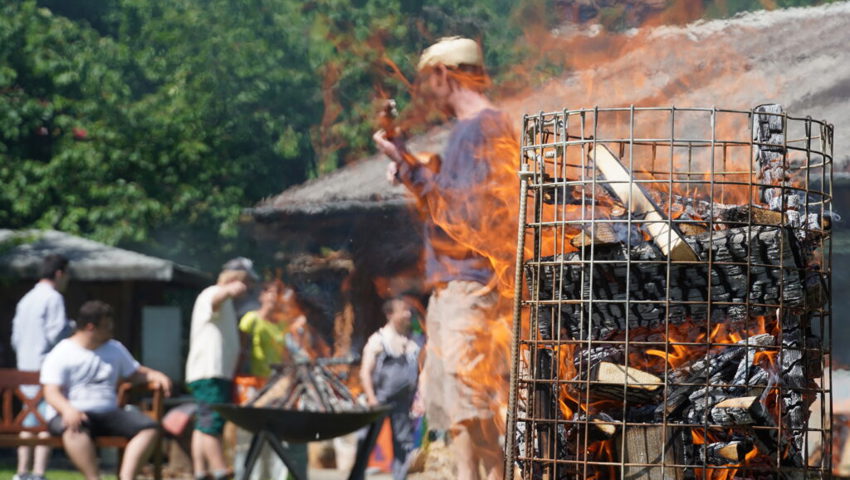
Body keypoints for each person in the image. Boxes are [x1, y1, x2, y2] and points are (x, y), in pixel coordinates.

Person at [373, 37, 516, 480]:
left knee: (474, 407)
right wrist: (414, 173)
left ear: (444, 74)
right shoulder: (469, 130)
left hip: (470, 286)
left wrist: (411, 167)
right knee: (456, 410)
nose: (426, 91)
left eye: (428, 79)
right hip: (454, 289)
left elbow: (465, 218)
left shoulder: (482, 127)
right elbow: (451, 206)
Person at [40, 300, 172, 480]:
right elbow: (51, 392)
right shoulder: (62, 352)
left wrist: (156, 375)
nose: (111, 331)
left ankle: (126, 477)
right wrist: (67, 410)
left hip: (109, 413)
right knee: (73, 429)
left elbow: (135, 373)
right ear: (90, 327)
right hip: (72, 414)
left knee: (149, 428)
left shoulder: (115, 348)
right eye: (107, 327)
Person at [185, 258, 253, 480]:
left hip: (208, 372)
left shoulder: (222, 300)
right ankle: (220, 470)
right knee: (213, 421)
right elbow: (214, 300)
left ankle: (200, 471)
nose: (248, 287)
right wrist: (229, 289)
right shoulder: (213, 293)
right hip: (211, 372)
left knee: (202, 422)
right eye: (246, 281)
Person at [11, 253, 73, 480]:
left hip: (23, 369)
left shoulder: (25, 299)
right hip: (46, 370)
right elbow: (57, 333)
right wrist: (72, 328)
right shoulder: (54, 298)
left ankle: (21, 472)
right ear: (59, 273)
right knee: (45, 421)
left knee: (27, 420)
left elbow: (15, 339)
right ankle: (38, 473)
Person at [352, 297, 421, 480]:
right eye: (403, 310)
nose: (408, 314)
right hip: (380, 400)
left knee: (403, 444)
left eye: (409, 310)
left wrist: (418, 398)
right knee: (367, 441)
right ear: (390, 314)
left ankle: (400, 477)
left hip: (403, 403)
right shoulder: (379, 339)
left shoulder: (412, 342)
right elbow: (365, 372)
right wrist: (371, 398)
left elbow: (421, 372)